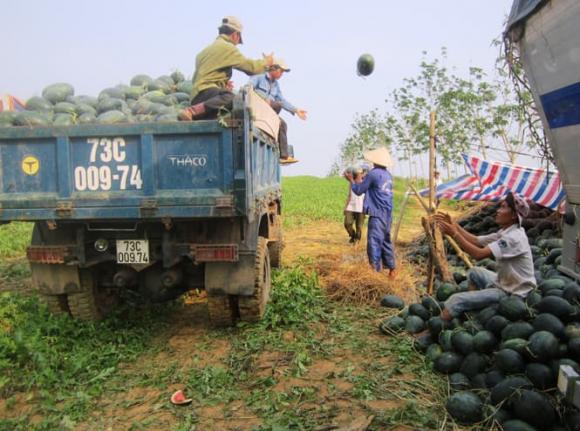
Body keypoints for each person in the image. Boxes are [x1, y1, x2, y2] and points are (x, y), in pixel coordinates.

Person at [434, 192, 535, 320]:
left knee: (456, 299)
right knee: (474, 271)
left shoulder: (513, 238)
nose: (498, 211)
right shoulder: (506, 232)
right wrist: (455, 226)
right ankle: (475, 307)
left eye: (503, 207)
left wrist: (454, 233)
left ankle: (434, 328)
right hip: (504, 282)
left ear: (514, 215)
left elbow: (478, 254)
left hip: (513, 294)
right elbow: (476, 240)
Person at [179, 16, 274, 121]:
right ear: (235, 35)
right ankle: (192, 111)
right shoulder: (227, 48)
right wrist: (267, 62)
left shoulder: (203, 52)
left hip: (197, 98)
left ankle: (196, 110)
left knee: (225, 101)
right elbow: (252, 68)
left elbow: (205, 77)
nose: (237, 44)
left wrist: (222, 85)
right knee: (232, 98)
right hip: (206, 96)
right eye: (238, 41)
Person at [344, 147, 396, 276]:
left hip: (377, 214)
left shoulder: (373, 174)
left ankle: (374, 272)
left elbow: (359, 190)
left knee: (373, 242)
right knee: (386, 241)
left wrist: (351, 180)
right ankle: (392, 270)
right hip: (388, 214)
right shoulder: (388, 175)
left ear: (375, 161)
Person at [249, 59, 307, 164]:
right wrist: (263, 97)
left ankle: (284, 156)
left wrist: (296, 110)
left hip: (268, 112)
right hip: (257, 110)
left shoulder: (276, 85)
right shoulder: (259, 78)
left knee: (282, 124)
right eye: (281, 71)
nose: (282, 74)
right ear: (273, 69)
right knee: (277, 104)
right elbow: (248, 88)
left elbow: (282, 100)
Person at [343, 167, 365, 244]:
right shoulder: (351, 182)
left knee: (359, 227)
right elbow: (349, 195)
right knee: (347, 224)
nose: (359, 174)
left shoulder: (365, 183)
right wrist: (345, 207)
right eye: (357, 173)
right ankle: (352, 235)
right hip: (351, 206)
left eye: (360, 173)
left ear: (362, 174)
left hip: (361, 208)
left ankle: (357, 241)